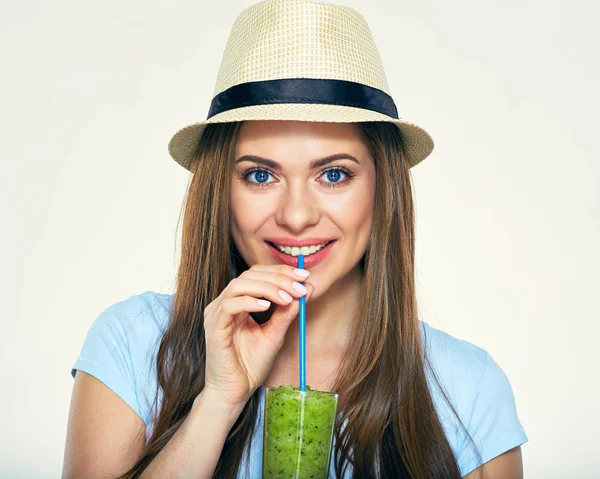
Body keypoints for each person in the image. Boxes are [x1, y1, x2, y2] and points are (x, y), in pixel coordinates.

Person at [62, 0, 528, 477]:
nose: (297, 216)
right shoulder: (131, 344)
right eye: (261, 176)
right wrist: (218, 402)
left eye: (333, 174)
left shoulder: (468, 388)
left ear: (382, 187)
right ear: (220, 188)